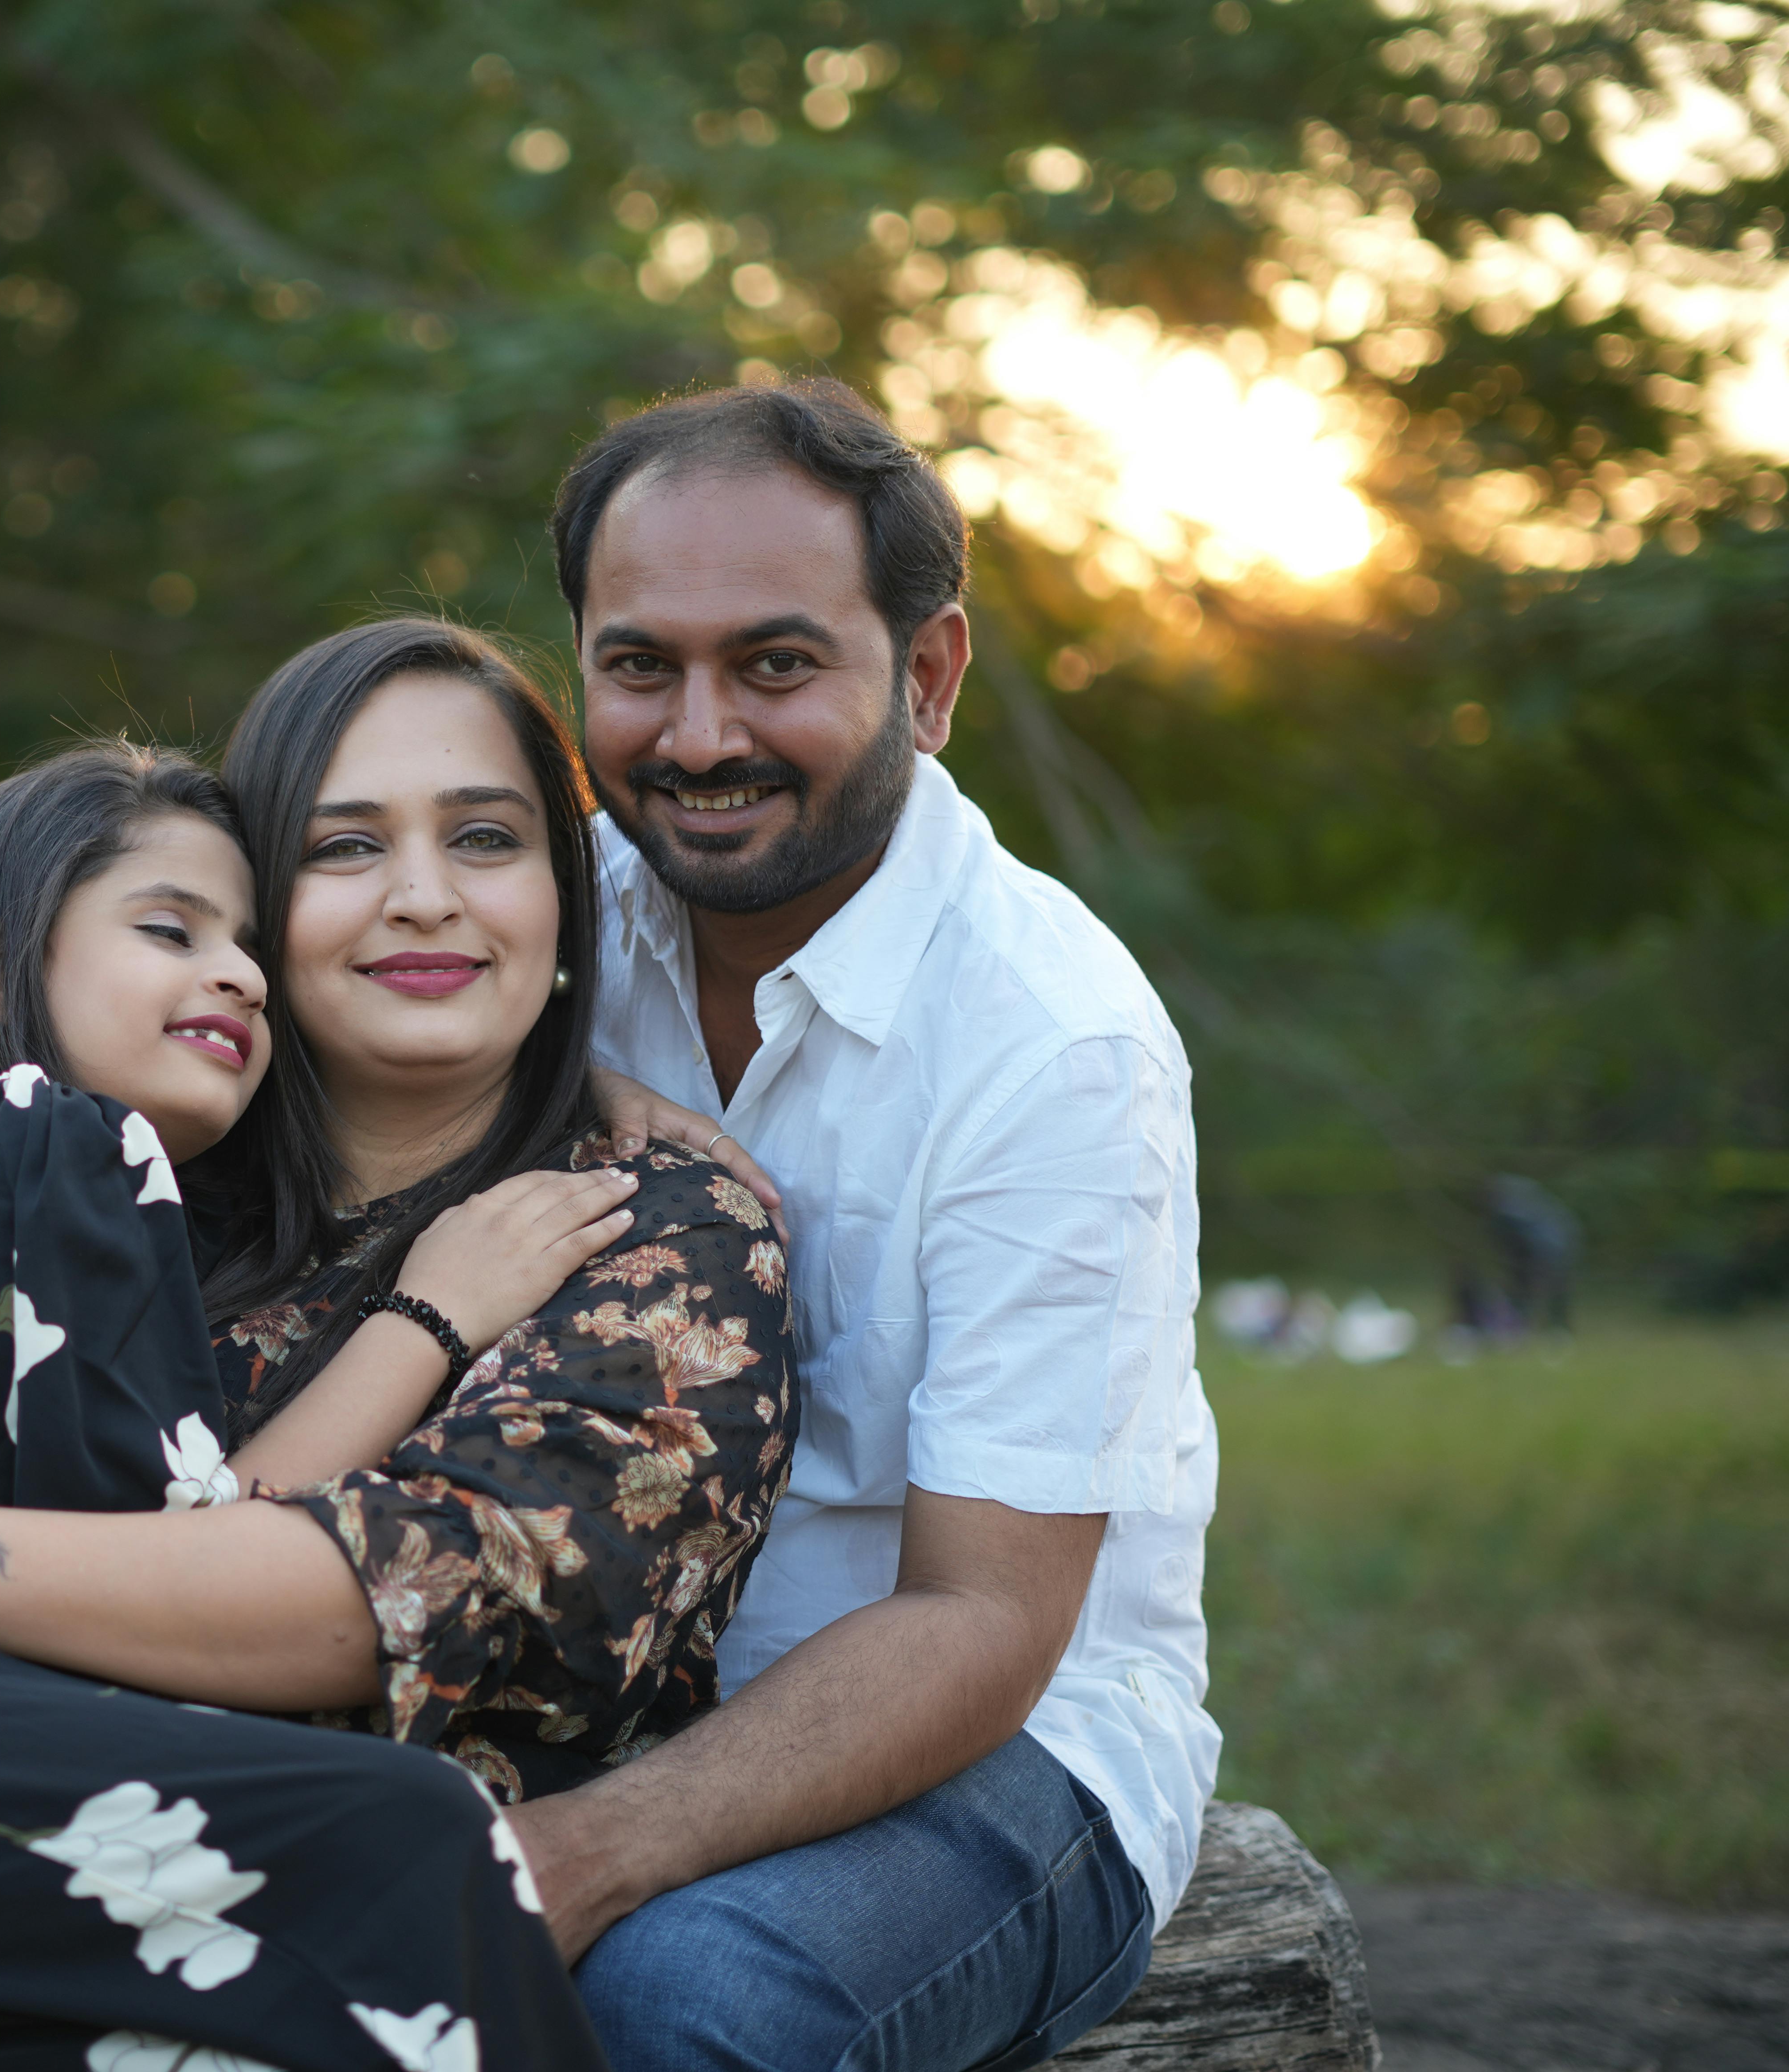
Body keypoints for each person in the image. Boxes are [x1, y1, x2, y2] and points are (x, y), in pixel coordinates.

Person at [0, 627, 797, 2070]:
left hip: (188, 1961)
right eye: (345, 849)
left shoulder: (636, 1228)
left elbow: (417, 1590)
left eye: (489, 841)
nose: (424, 896)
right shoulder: (116, 1168)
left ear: (570, 905)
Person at [488, 377, 1217, 2072]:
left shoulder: (1055, 1044)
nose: (697, 736)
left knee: (683, 2004)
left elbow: (985, 1620)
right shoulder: (540, 928)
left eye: (779, 664)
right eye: (640, 664)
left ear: (933, 676)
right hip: (587, 1691)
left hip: (1013, 1745)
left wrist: (573, 1857)